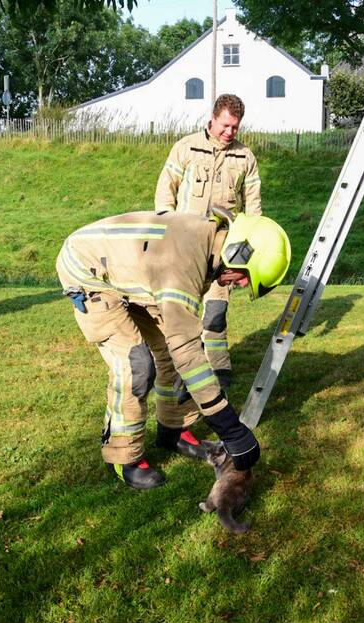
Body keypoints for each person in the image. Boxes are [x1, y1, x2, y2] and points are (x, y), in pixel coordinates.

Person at [56, 209, 291, 489]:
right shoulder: (185, 262)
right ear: (237, 253)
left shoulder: (208, 245)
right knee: (136, 364)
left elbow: (182, 338)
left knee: (169, 351)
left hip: (133, 275)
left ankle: (173, 430)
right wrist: (230, 428)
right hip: (88, 272)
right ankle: (122, 456)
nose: (241, 285)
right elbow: (187, 349)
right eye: (244, 277)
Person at [155, 94, 262, 395]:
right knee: (182, 315)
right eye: (226, 125)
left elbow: (253, 210)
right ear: (213, 118)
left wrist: (247, 251)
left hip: (223, 253)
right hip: (185, 249)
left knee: (215, 314)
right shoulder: (185, 148)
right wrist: (167, 233)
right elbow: (166, 193)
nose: (230, 133)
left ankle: (219, 370)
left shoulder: (246, 158)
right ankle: (184, 367)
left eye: (236, 128)